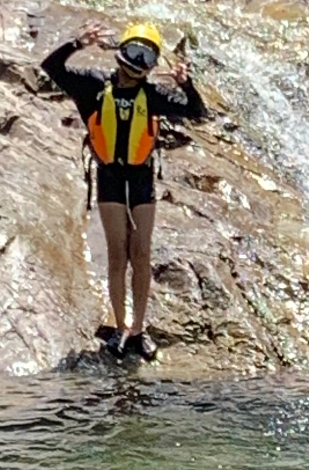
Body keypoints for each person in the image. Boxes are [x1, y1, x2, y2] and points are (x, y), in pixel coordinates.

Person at [42, 21, 208, 361]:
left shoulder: (154, 96)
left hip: (142, 178)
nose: (138, 61)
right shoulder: (93, 86)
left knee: (141, 252)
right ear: (121, 53)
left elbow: (197, 112)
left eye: (146, 56)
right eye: (134, 52)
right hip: (110, 177)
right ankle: (119, 327)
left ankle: (139, 329)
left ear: (152, 65)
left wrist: (186, 84)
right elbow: (51, 68)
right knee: (118, 253)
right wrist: (77, 42)